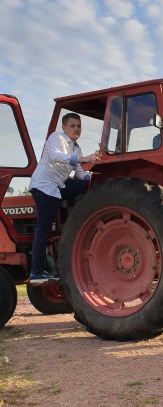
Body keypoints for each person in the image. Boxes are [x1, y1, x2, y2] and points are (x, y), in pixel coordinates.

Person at [28, 112, 101, 284]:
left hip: (58, 187)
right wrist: (83, 158)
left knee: (85, 184)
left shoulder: (76, 148)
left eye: (78, 126)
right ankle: (36, 272)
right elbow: (55, 156)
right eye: (72, 126)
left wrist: (99, 176)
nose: (76, 129)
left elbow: (81, 174)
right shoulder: (56, 138)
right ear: (64, 127)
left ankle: (80, 215)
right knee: (44, 229)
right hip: (44, 187)